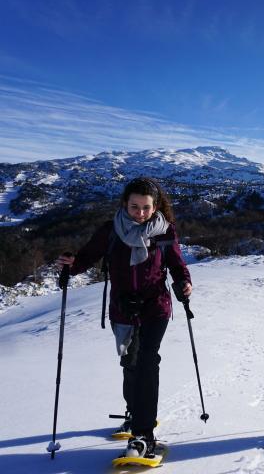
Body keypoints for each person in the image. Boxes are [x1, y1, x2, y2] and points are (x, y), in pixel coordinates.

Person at [57, 177, 192, 458]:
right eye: (134, 207)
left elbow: (177, 265)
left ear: (155, 207)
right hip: (122, 308)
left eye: (146, 207)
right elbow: (87, 257)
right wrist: (71, 267)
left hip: (156, 306)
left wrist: (184, 282)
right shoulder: (110, 231)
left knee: (146, 360)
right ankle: (135, 410)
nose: (140, 213)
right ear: (124, 204)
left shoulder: (165, 232)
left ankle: (144, 435)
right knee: (129, 362)